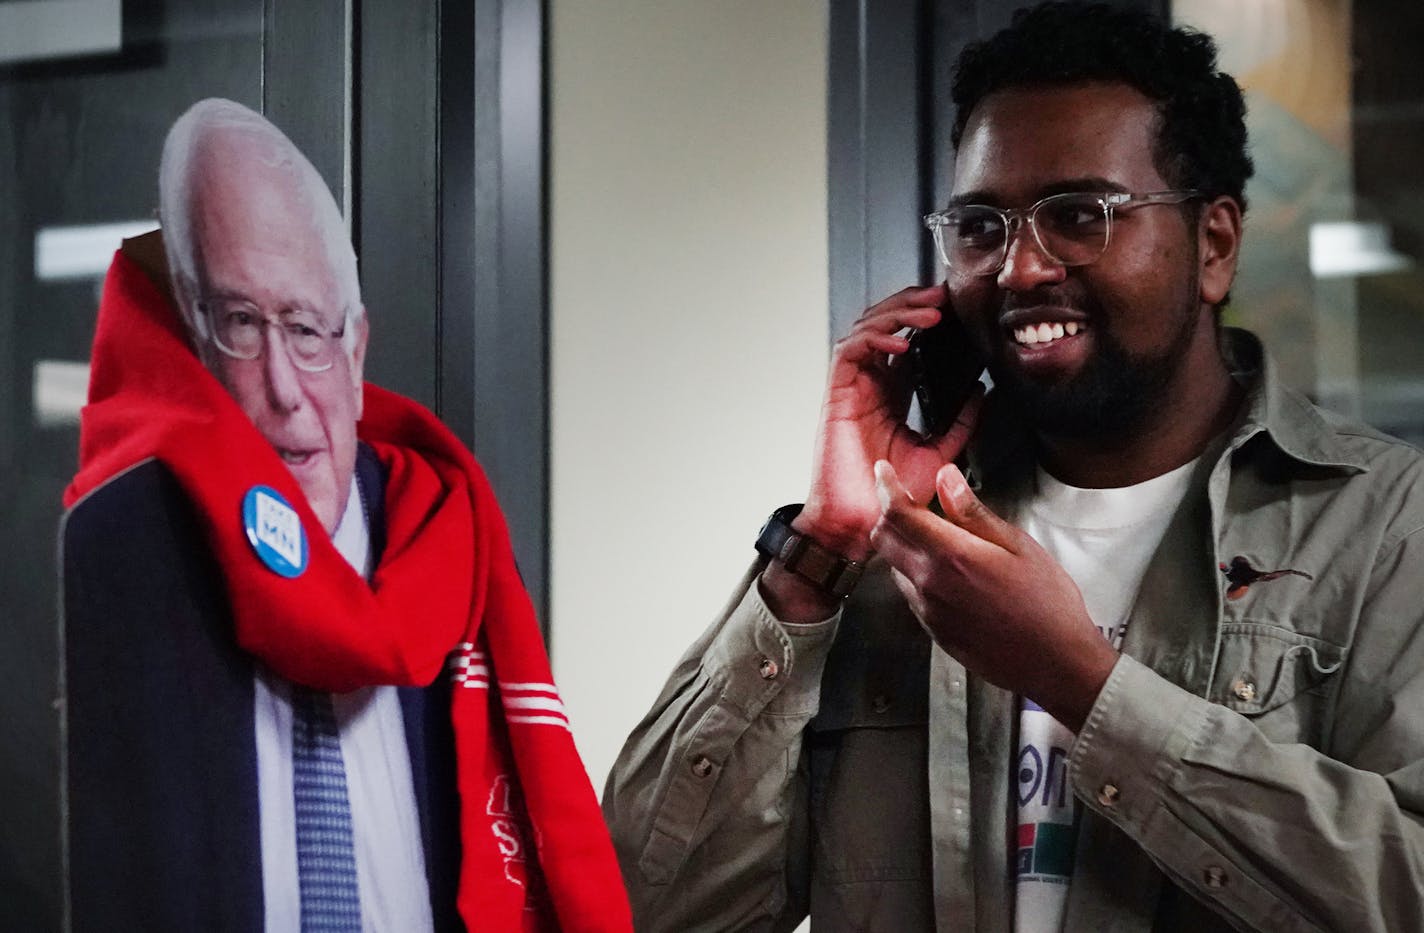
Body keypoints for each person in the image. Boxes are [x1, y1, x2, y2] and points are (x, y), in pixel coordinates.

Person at [602, 4, 1424, 931]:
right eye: (982, 225)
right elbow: (644, 904)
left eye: (1080, 215)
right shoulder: (891, 541)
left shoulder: (1387, 526)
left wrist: (1087, 686)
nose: (1022, 268)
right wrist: (821, 549)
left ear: (1215, 245)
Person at [60, 99, 630, 932]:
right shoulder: (133, 549)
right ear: (192, 331)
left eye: (307, 330)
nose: (286, 390)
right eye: (243, 325)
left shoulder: (446, 545)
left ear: (357, 350)